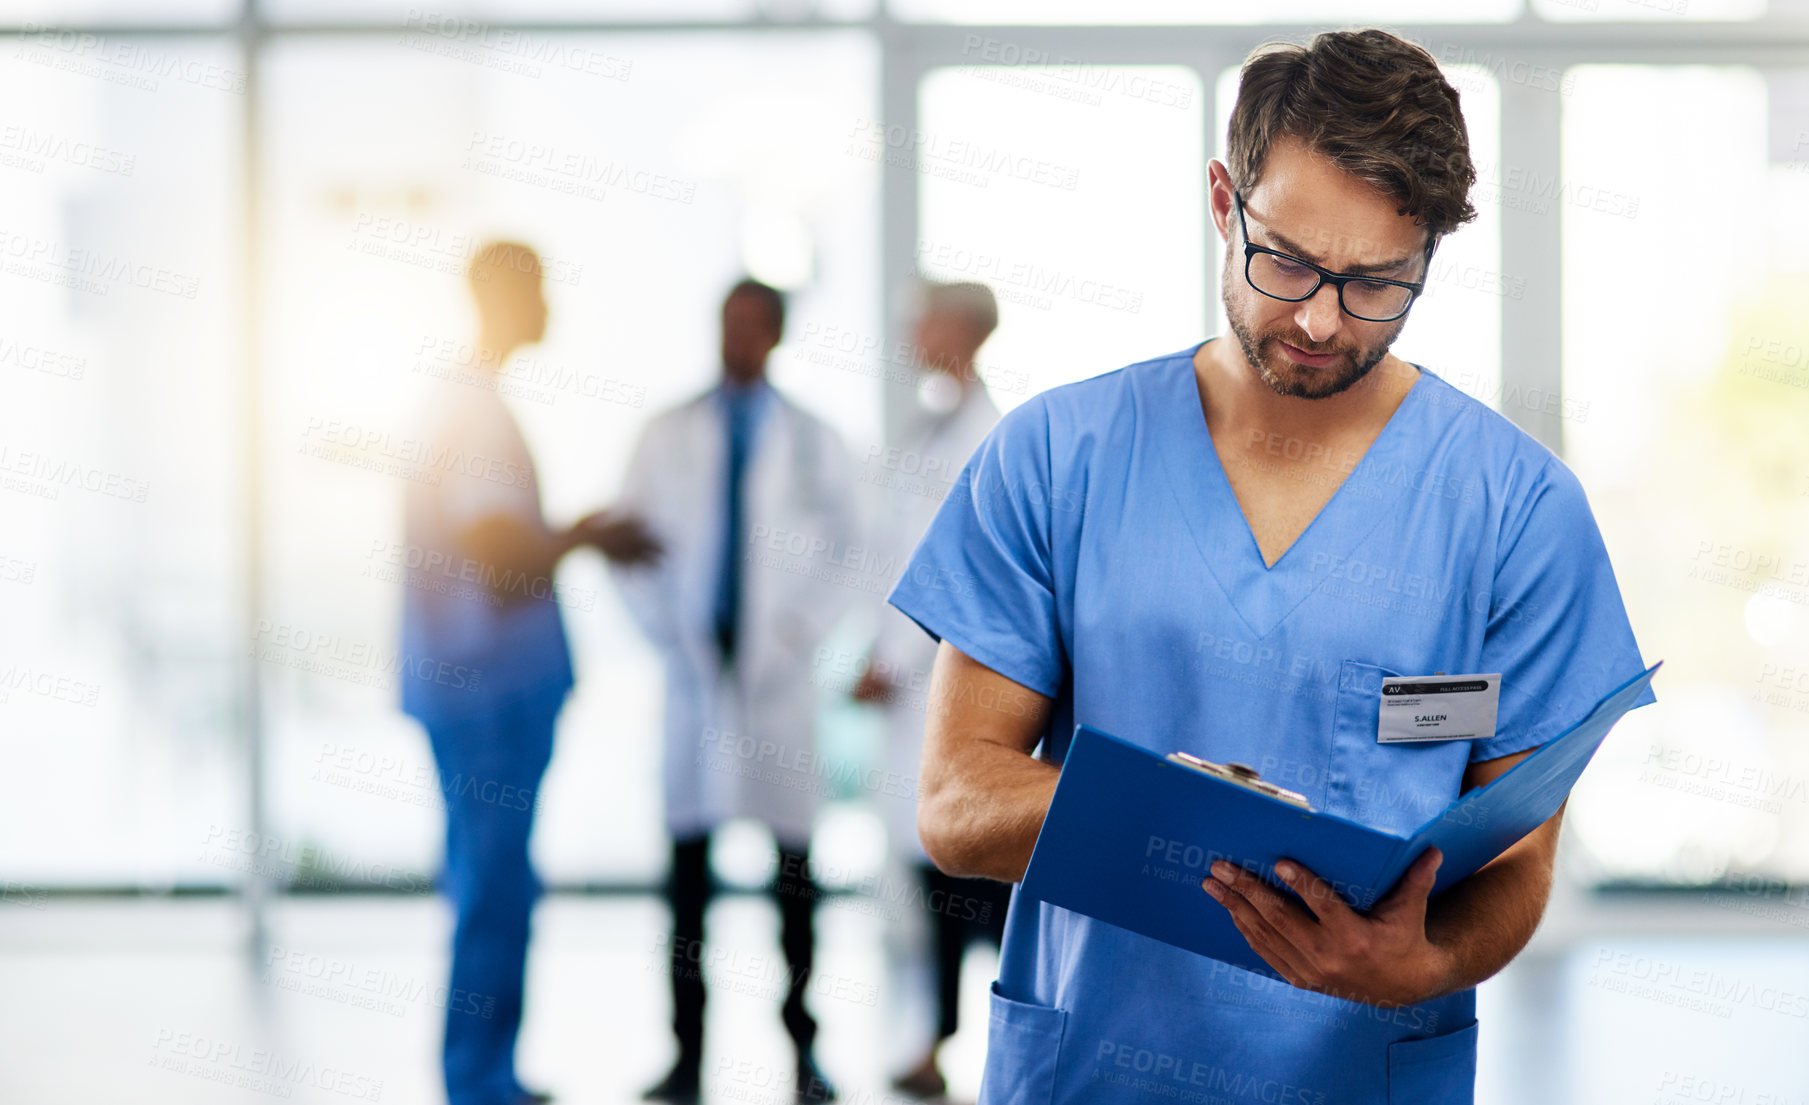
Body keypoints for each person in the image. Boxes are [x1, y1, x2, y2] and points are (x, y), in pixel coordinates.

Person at [888, 30, 1657, 1105]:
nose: (1318, 317)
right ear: (1222, 199)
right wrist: (1154, 808)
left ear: (1431, 253)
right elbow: (955, 798)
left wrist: (1426, 963)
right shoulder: (1057, 457)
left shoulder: (1517, 510)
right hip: (1095, 1067)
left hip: (1359, 1070)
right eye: (1285, 258)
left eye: (1378, 282)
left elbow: (1519, 857)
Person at [401, 240, 659, 1105]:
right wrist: (589, 537)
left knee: (489, 878)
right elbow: (499, 552)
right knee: (493, 884)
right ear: (504, 295)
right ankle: (477, 1079)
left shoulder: (467, 401)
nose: (552, 305)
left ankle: (484, 1069)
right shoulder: (470, 410)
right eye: (541, 287)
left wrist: (566, 531)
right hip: (489, 691)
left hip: (476, 683)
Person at [613, 278, 860, 1105]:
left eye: (753, 325)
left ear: (777, 335)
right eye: (727, 322)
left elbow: (850, 553)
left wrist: (795, 634)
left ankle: (803, 1053)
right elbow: (630, 546)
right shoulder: (665, 433)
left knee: (796, 881)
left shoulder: (814, 440)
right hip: (695, 679)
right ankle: (685, 1056)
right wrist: (668, 638)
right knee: (686, 884)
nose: (737, 337)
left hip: (776, 685)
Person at [848, 281, 1010, 1099]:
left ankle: (963, 1041)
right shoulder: (933, 424)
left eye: (927, 318)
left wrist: (892, 662)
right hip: (911, 682)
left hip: (942, 681)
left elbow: (945, 571)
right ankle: (937, 1038)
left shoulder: (981, 435)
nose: (913, 329)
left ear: (963, 331)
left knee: (967, 878)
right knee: (937, 878)